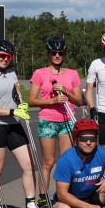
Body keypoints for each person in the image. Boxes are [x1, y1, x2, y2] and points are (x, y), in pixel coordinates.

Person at [0, 39, 42, 208]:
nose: (6, 59)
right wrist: (11, 111)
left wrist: (19, 106)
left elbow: (15, 97)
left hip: (14, 123)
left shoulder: (12, 74)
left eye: (9, 56)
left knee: (28, 164)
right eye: (2, 55)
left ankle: (31, 204)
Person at [28, 36, 83, 199]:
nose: (57, 56)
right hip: (48, 121)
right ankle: (43, 198)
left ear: (65, 54)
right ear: (48, 54)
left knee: (66, 162)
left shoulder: (72, 74)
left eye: (61, 53)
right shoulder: (40, 73)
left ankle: (64, 195)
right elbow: (31, 100)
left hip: (67, 120)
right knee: (48, 162)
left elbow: (79, 101)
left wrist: (66, 91)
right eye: (54, 53)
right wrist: (51, 100)